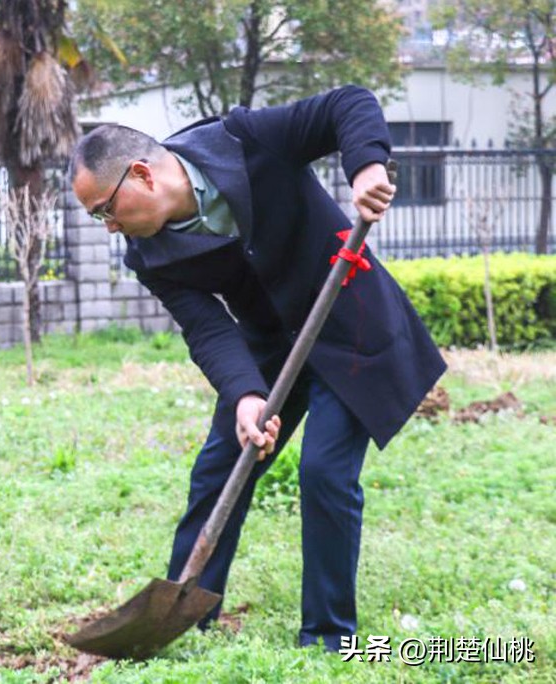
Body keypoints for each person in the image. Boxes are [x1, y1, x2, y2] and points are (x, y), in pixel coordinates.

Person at [68, 85, 446, 651]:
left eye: (105, 210)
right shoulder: (148, 254)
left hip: (350, 326)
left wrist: (365, 166)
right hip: (270, 346)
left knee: (324, 471)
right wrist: (246, 395)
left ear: (143, 176)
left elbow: (349, 104)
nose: (109, 227)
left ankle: (326, 636)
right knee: (220, 466)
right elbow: (207, 327)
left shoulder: (246, 141)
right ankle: (186, 614)